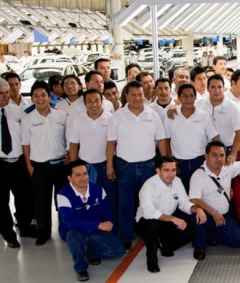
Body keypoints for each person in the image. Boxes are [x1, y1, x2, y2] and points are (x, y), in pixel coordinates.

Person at [106, 80, 168, 249]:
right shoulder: (117, 117)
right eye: (133, 95)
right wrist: (110, 166)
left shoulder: (152, 115)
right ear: (126, 96)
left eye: (140, 94)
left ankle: (151, 234)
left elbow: (161, 140)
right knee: (125, 203)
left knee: (150, 202)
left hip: (148, 166)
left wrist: (166, 163)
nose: (137, 98)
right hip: (125, 167)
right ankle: (126, 236)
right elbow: (111, 144)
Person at [190, 140, 240, 261]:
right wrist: (213, 212)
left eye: (221, 155)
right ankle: (199, 246)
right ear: (206, 156)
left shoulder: (227, 168)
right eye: (214, 155)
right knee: (198, 219)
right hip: (207, 214)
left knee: (239, 241)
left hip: (224, 214)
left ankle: (209, 235)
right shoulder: (198, 175)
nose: (218, 159)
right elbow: (194, 199)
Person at [136, 156, 206, 273]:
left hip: (167, 221)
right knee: (153, 227)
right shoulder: (149, 185)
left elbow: (184, 203)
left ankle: (165, 246)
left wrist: (197, 209)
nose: (170, 174)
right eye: (166, 170)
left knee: (192, 229)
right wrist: (173, 219)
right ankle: (152, 260)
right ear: (158, 171)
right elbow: (149, 212)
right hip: (147, 221)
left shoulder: (177, 181)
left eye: (173, 170)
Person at [57, 160, 124, 282]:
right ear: (69, 178)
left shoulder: (98, 189)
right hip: (76, 231)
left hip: (96, 230)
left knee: (118, 251)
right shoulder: (63, 195)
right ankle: (81, 268)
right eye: (78, 175)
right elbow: (71, 222)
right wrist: (97, 225)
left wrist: (110, 231)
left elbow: (107, 215)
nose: (83, 178)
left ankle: (91, 252)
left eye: (85, 174)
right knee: (73, 236)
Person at [21, 80, 68, 246]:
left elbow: (68, 138)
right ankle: (43, 232)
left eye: (43, 95)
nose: (40, 99)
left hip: (61, 165)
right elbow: (25, 146)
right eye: (36, 96)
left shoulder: (61, 116)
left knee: (62, 200)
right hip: (40, 166)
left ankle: (65, 230)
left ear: (49, 97)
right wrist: (29, 166)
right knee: (41, 202)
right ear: (32, 98)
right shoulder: (27, 119)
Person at [67, 89, 117, 219]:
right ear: (84, 103)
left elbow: (114, 143)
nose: (94, 104)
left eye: (97, 100)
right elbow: (73, 145)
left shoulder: (111, 118)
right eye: (90, 101)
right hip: (86, 167)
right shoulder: (78, 120)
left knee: (109, 198)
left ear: (102, 102)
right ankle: (91, 226)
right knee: (87, 200)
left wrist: (110, 166)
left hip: (107, 165)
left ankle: (111, 227)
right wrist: (74, 169)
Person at [0, 78, 36, 248]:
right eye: (2, 93)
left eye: (7, 92)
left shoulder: (17, 111)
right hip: (0, 164)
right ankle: (8, 235)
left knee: (24, 197)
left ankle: (25, 226)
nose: (6, 96)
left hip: (19, 162)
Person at [164, 84, 218, 190]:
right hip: (178, 163)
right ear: (178, 98)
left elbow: (215, 137)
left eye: (191, 95)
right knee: (180, 195)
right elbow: (166, 140)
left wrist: (215, 158)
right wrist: (170, 161)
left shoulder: (203, 116)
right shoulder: (171, 116)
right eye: (184, 96)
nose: (188, 99)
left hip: (199, 162)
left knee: (200, 194)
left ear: (195, 97)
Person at [195, 75, 240, 164]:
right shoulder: (199, 104)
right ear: (208, 89)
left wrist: (232, 154)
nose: (216, 90)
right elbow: (183, 109)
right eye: (213, 87)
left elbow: (239, 133)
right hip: (203, 152)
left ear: (224, 88)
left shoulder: (233, 107)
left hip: (226, 150)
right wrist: (173, 108)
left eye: (219, 87)